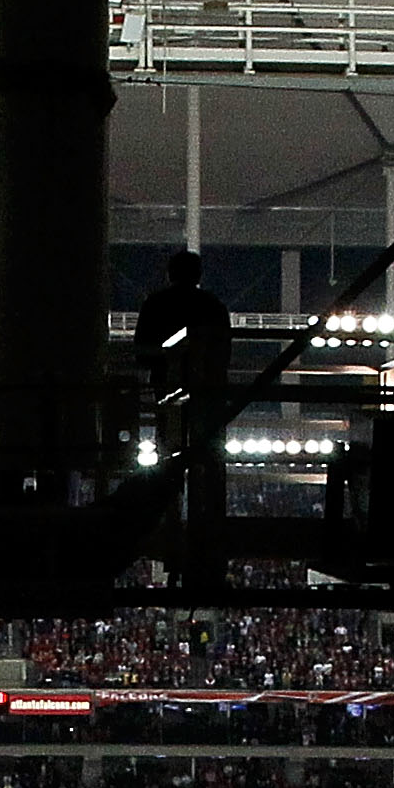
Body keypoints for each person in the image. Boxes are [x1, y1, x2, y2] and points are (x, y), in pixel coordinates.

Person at [135, 246, 234, 577]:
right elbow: (225, 352)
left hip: (168, 393)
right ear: (199, 275)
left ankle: (169, 515)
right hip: (210, 396)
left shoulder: (156, 304)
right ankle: (208, 521)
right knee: (209, 459)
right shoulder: (214, 306)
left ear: (169, 273)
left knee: (169, 458)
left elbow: (142, 352)